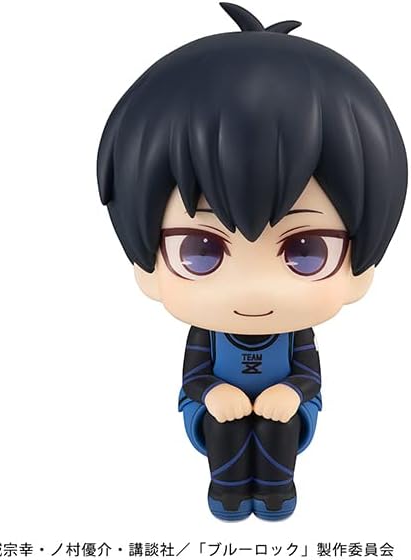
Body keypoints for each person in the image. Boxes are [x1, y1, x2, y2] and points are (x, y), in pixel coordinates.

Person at [96, 3, 407, 520]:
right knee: (226, 426)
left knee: (277, 427)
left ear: (361, 266)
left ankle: (277, 491)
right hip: (213, 410)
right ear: (147, 265)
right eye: (201, 250)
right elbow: (195, 375)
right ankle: (228, 493)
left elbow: (308, 374)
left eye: (306, 251)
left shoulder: (296, 333)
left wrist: (291, 392)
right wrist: (213, 392)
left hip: (289, 411)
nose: (254, 290)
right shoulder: (207, 332)